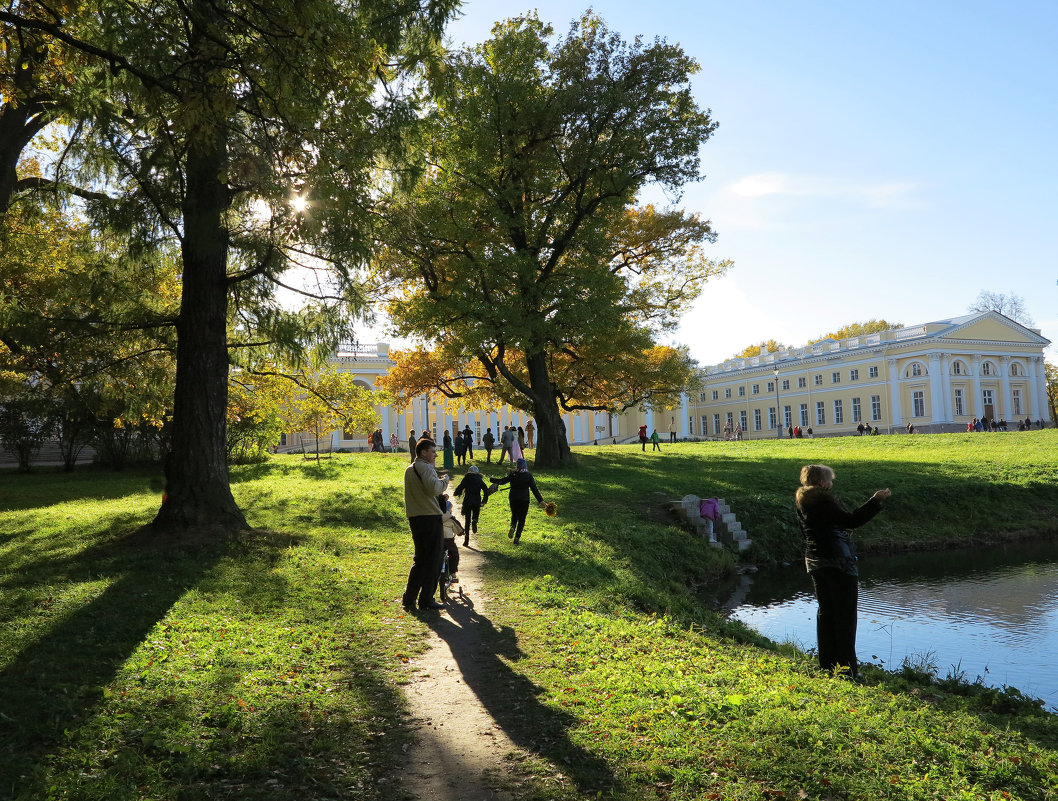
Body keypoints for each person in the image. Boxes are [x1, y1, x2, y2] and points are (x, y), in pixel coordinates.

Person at [795, 464, 891, 677]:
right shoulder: (824, 500)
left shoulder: (803, 501)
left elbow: (819, 528)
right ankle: (847, 670)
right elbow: (852, 520)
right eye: (830, 480)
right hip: (838, 562)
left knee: (826, 613)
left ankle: (827, 666)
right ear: (821, 482)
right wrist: (875, 500)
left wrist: (838, 528)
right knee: (845, 616)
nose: (831, 483)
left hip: (815, 560)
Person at [401, 439, 450, 611]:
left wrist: (437, 498)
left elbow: (424, 493)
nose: (435, 455)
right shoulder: (426, 467)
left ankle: (409, 598)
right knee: (434, 560)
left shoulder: (409, 470)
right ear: (423, 452)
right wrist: (445, 481)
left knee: (420, 559)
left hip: (415, 518)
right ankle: (427, 599)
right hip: (430, 518)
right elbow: (433, 488)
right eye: (432, 451)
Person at [491, 458, 546, 544]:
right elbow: (534, 489)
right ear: (525, 466)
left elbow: (503, 481)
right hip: (524, 499)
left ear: (517, 466)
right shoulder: (528, 476)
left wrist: (492, 479)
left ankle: (512, 526)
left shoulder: (513, 474)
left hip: (513, 498)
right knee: (522, 519)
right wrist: (541, 500)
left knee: (514, 514)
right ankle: (517, 538)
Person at [453, 465, 489, 546]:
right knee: (475, 515)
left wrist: (456, 493)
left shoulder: (466, 478)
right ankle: (475, 520)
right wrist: (484, 500)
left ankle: (466, 540)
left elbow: (460, 487)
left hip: (467, 501)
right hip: (476, 501)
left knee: (467, 521)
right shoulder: (479, 480)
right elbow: (485, 489)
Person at [441, 495, 464, 581]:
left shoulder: (434, 517)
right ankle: (452, 572)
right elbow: (460, 530)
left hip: (436, 541)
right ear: (448, 509)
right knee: (454, 554)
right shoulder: (450, 519)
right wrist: (461, 533)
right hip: (448, 541)